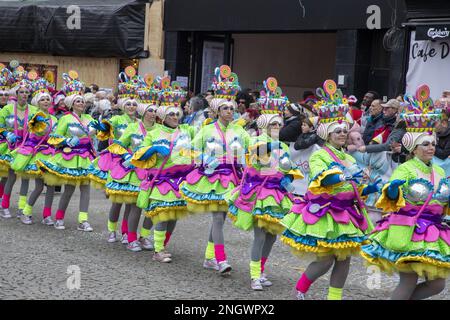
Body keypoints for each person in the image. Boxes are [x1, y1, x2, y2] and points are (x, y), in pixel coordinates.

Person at [281, 80, 379, 300]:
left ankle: (334, 297)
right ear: (327, 134)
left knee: (345, 258)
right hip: (326, 211)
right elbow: (320, 179)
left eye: (345, 130)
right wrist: (342, 176)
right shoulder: (319, 155)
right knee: (325, 259)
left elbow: (355, 186)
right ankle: (300, 288)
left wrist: (369, 187)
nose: (343, 134)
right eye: (338, 131)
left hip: (347, 211)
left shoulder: (346, 155)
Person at [361, 85, 449, 300]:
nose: (431, 148)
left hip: (434, 232)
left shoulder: (437, 169)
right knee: (408, 280)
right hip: (410, 230)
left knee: (437, 284)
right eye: (425, 144)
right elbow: (390, 199)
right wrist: (392, 190)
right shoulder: (405, 169)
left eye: (433, 144)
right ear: (413, 148)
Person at [225, 77, 303, 290]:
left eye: (279, 123)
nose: (277, 126)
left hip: (278, 195)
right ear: (264, 125)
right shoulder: (258, 140)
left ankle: (261, 269)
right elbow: (261, 159)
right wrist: (274, 157)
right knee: (260, 236)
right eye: (273, 123)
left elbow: (288, 169)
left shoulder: (284, 147)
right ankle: (254, 275)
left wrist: (288, 177)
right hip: (260, 194)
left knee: (271, 237)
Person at [180, 65, 250, 274]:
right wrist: (203, 160)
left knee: (221, 218)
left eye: (232, 108)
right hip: (213, 178)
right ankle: (221, 259)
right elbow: (187, 151)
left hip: (233, 178)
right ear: (217, 110)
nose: (230, 111)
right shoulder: (207, 129)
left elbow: (254, 152)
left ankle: (210, 257)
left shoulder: (240, 130)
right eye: (225, 108)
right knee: (218, 218)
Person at [131, 78, 195, 262]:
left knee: (174, 215)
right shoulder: (153, 133)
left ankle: (163, 245)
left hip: (181, 181)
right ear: (163, 117)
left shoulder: (186, 131)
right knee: (163, 214)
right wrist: (153, 149)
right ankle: (157, 250)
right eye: (171, 114)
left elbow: (198, 143)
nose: (175, 117)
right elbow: (139, 155)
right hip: (161, 180)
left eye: (177, 114)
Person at [102, 73, 160, 250]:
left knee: (150, 205)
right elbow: (117, 143)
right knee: (127, 203)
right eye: (150, 110)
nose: (153, 113)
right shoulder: (130, 126)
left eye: (156, 110)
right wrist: (126, 156)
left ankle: (138, 235)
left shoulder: (159, 129)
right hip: (131, 171)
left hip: (152, 172)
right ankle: (119, 232)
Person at [37, 71, 99, 231]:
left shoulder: (90, 119)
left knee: (86, 188)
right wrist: (66, 141)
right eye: (78, 101)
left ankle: (83, 220)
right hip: (70, 157)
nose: (81, 104)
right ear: (71, 104)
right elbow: (53, 137)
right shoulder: (65, 118)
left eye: (83, 101)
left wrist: (101, 128)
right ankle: (59, 217)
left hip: (86, 157)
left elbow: (101, 132)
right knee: (69, 189)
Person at [9, 76, 58, 225]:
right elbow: (33, 134)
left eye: (47, 99)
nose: (45, 102)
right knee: (39, 186)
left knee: (51, 185)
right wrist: (38, 127)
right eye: (42, 99)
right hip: (38, 154)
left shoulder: (55, 119)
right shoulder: (34, 116)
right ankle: (26, 212)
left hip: (51, 155)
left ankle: (47, 215)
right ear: (37, 101)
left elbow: (56, 137)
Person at [0, 64, 39, 219]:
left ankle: (22, 207)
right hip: (10, 146)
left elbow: (39, 129)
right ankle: (5, 205)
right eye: (21, 92)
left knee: (25, 177)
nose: (24, 94)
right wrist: (6, 134)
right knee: (11, 176)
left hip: (27, 147)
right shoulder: (7, 109)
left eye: (26, 92)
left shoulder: (34, 111)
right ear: (16, 94)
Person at [0, 66, 14, 200]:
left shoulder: (11, 109)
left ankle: (1, 196)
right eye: (1, 94)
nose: (3, 97)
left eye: (6, 95)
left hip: (6, 145)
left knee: (5, 174)